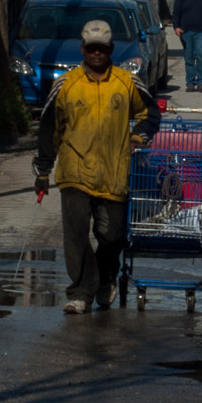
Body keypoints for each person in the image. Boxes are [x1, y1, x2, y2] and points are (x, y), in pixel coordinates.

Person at [33, 19, 158, 314]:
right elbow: (48, 128)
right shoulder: (66, 84)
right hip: (74, 172)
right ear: (83, 49)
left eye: (102, 48)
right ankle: (80, 293)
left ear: (111, 49)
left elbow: (150, 112)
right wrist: (42, 171)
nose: (97, 53)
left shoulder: (127, 82)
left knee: (112, 235)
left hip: (114, 173)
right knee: (76, 235)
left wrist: (139, 136)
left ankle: (104, 280)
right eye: (92, 48)